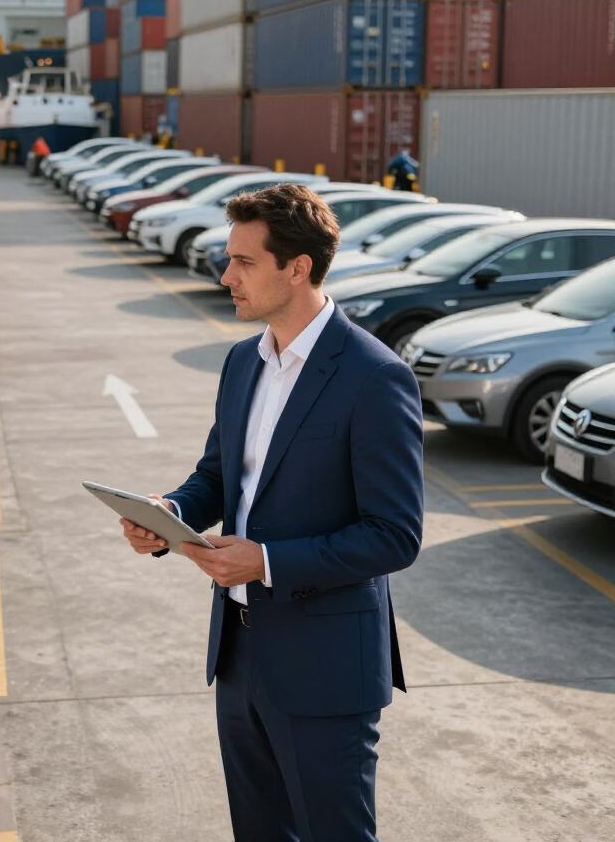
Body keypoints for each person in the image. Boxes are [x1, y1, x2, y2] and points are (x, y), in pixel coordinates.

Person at [122, 184, 423, 842]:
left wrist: (265, 560)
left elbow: (395, 536)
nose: (225, 275)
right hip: (238, 655)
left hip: (325, 666)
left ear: (298, 268)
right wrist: (170, 513)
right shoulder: (242, 362)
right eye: (228, 259)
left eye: (244, 262)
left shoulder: (374, 378)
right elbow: (219, 477)